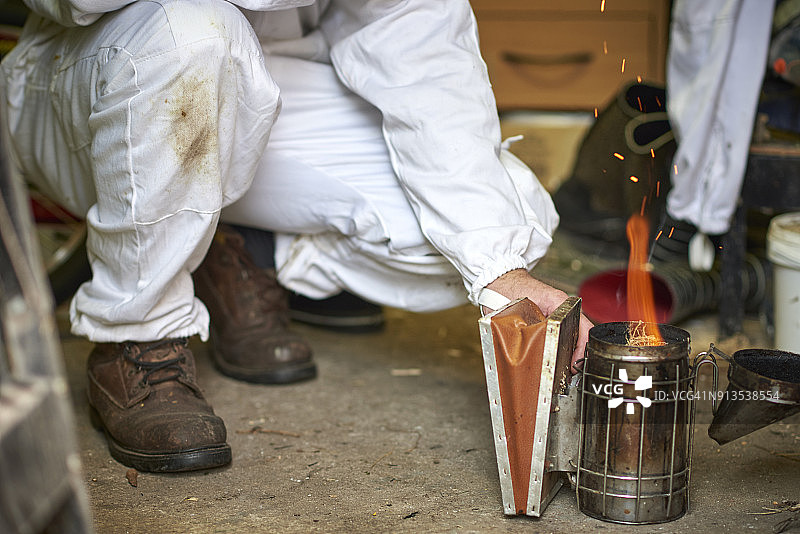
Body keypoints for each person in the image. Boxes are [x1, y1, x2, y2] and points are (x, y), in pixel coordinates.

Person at [0, 0, 592, 473]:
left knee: (511, 212)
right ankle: (137, 332)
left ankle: (231, 249)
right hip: (98, 71)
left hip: (270, 77)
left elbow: (420, 47)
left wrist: (497, 270)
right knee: (198, 32)